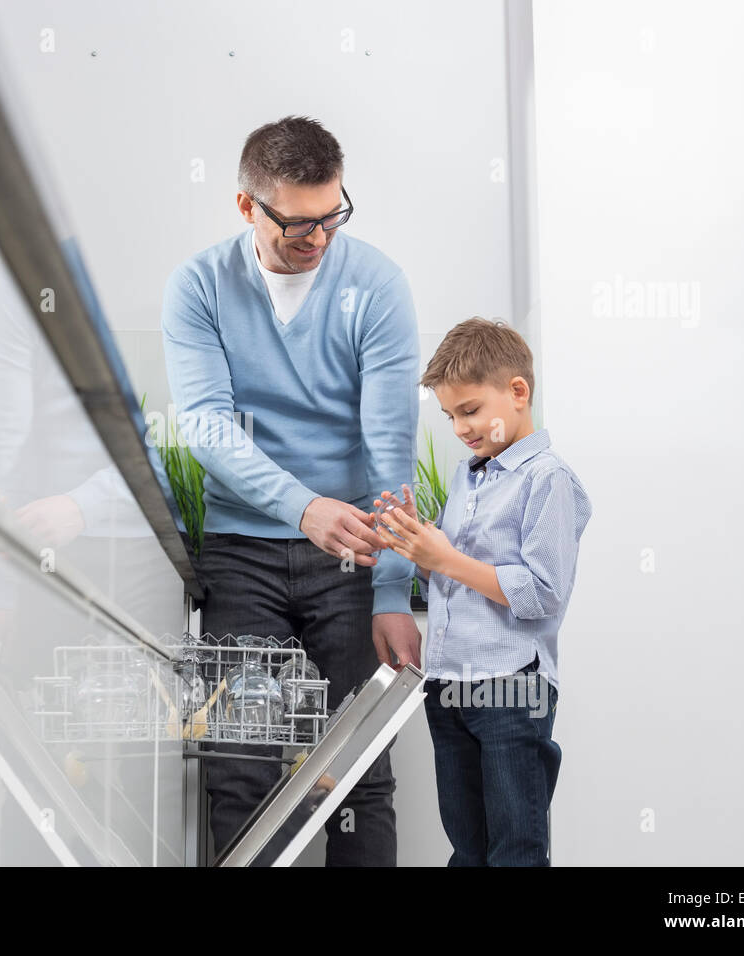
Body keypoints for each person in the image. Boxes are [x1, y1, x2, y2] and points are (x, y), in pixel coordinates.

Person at [162, 116, 420, 866]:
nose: (318, 238)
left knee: (358, 770)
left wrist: (392, 594)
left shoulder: (376, 284)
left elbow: (391, 446)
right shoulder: (199, 286)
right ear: (248, 207)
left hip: (355, 556)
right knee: (238, 769)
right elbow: (206, 427)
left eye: (332, 216)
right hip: (242, 553)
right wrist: (302, 508)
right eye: (297, 224)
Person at [372, 317, 593, 866]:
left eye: (469, 410)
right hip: (451, 686)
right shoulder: (467, 478)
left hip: (511, 687)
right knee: (468, 850)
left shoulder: (548, 479)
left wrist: (445, 557)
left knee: (515, 849)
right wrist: (417, 548)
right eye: (450, 416)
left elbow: (543, 593)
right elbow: (456, 581)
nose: (460, 428)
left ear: (517, 392)